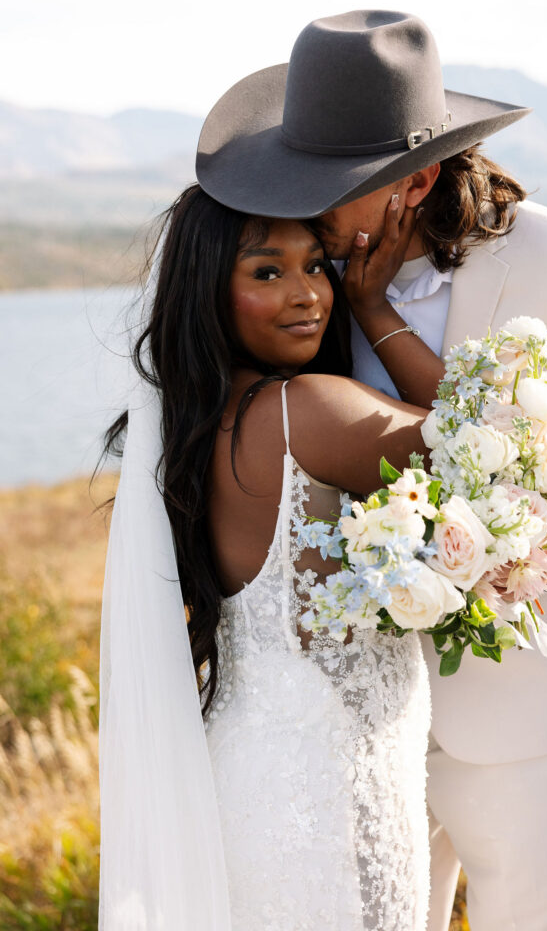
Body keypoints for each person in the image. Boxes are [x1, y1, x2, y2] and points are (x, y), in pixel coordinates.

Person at [194, 9, 547, 931]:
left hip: (522, 707)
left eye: (327, 187)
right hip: (355, 721)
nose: (302, 209)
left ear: (414, 179)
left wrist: (529, 561)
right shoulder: (317, 273)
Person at [100, 180, 484, 928]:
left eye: (316, 266)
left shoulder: (209, 426)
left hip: (266, 782)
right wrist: (375, 311)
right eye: (266, 272)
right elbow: (484, 446)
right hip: (323, 797)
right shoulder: (300, 412)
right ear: (209, 290)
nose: (308, 294)